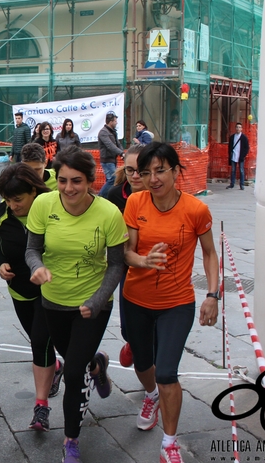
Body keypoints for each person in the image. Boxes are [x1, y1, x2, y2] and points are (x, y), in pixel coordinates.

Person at [25, 147, 128, 463]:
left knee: (71, 371)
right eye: (64, 181)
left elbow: (116, 265)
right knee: (75, 359)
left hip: (91, 305)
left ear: (90, 180)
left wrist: (97, 301)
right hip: (53, 302)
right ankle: (97, 366)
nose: (69, 188)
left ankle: (71, 439)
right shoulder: (43, 204)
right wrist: (36, 268)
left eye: (77, 181)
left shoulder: (109, 213)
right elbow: (32, 249)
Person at [122, 142, 219, 463]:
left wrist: (212, 295)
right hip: (135, 299)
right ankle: (151, 396)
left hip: (177, 303)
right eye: (146, 172)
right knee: (142, 363)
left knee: (166, 372)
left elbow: (209, 253)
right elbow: (126, 252)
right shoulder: (135, 202)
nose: (153, 178)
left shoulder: (195, 210)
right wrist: (144, 260)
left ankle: (169, 441)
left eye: (160, 170)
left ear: (176, 171)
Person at [0, 163, 64, 432]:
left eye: (18, 199)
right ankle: (87, 362)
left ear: (34, 191)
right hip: (19, 290)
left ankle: (41, 407)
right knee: (41, 340)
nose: (12, 205)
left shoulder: (53, 208)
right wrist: (0, 263)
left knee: (41, 342)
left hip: (51, 289)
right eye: (7, 199)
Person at [105, 144, 147, 369]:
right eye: (130, 170)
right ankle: (132, 342)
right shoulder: (115, 194)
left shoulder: (161, 194)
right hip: (125, 269)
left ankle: (152, 369)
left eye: (141, 170)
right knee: (127, 326)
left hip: (156, 271)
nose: (135, 176)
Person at [98, 111, 124, 198]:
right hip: (107, 160)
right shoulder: (103, 132)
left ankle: (107, 198)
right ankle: (100, 196)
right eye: (115, 121)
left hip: (112, 159)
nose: (116, 123)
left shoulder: (113, 132)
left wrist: (122, 153)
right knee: (113, 179)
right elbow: (110, 145)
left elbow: (117, 144)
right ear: (111, 121)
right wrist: (121, 153)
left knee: (109, 180)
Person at [227, 122, 249, 190]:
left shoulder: (244, 138)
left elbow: (247, 148)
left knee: (241, 170)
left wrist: (243, 155)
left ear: (241, 129)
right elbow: (230, 147)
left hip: (241, 157)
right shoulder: (232, 137)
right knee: (233, 170)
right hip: (234, 156)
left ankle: (241, 184)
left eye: (239, 127)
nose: (238, 128)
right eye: (237, 127)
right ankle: (232, 184)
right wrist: (230, 155)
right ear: (235, 128)